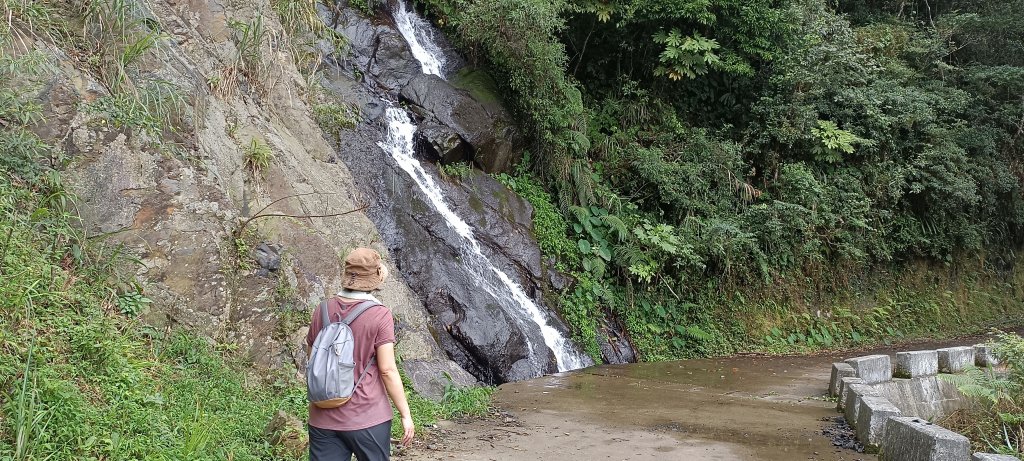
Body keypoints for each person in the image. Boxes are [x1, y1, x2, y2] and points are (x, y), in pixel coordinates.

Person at [305, 247, 414, 461]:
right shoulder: (379, 314)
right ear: (374, 278)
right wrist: (405, 414)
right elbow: (388, 370)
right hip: (367, 417)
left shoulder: (322, 309)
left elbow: (313, 360)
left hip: (322, 416)